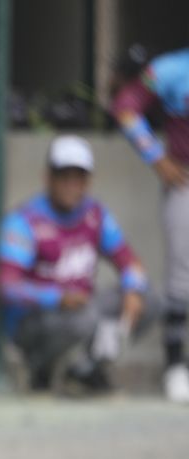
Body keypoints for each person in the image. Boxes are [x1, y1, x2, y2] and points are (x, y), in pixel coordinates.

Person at [0, 135, 155, 395]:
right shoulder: (25, 221)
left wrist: (133, 289)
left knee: (149, 300)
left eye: (79, 177)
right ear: (48, 177)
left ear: (88, 181)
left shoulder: (95, 214)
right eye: (64, 176)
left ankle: (86, 371)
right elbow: (7, 287)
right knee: (84, 318)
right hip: (36, 320)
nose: (72, 185)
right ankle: (40, 367)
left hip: (83, 306)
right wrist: (57, 298)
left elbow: (129, 260)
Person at [110, 44, 189, 401]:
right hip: (185, 182)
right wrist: (156, 157)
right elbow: (125, 108)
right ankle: (175, 367)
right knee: (182, 278)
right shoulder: (171, 68)